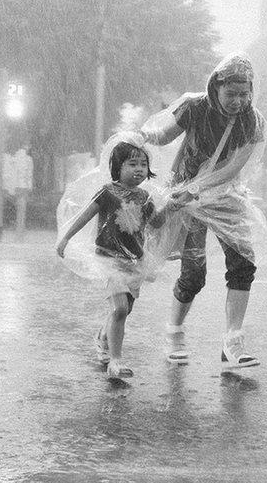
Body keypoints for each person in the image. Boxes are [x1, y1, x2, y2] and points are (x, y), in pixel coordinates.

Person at [139, 52, 267, 369]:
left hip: (224, 196)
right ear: (216, 87)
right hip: (185, 199)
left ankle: (233, 341)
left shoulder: (254, 122)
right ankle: (174, 332)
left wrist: (200, 187)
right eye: (231, 93)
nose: (238, 100)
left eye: (244, 93)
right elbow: (165, 135)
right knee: (194, 273)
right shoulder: (195, 107)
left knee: (243, 261)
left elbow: (231, 169)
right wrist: (141, 135)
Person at [55, 135, 183, 379]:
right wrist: (65, 237)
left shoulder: (144, 198)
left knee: (125, 309)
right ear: (118, 167)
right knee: (121, 308)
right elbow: (84, 215)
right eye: (132, 164)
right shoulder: (107, 192)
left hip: (134, 261)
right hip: (109, 259)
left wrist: (171, 207)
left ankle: (103, 338)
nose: (139, 170)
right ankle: (115, 362)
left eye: (143, 165)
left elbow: (155, 224)